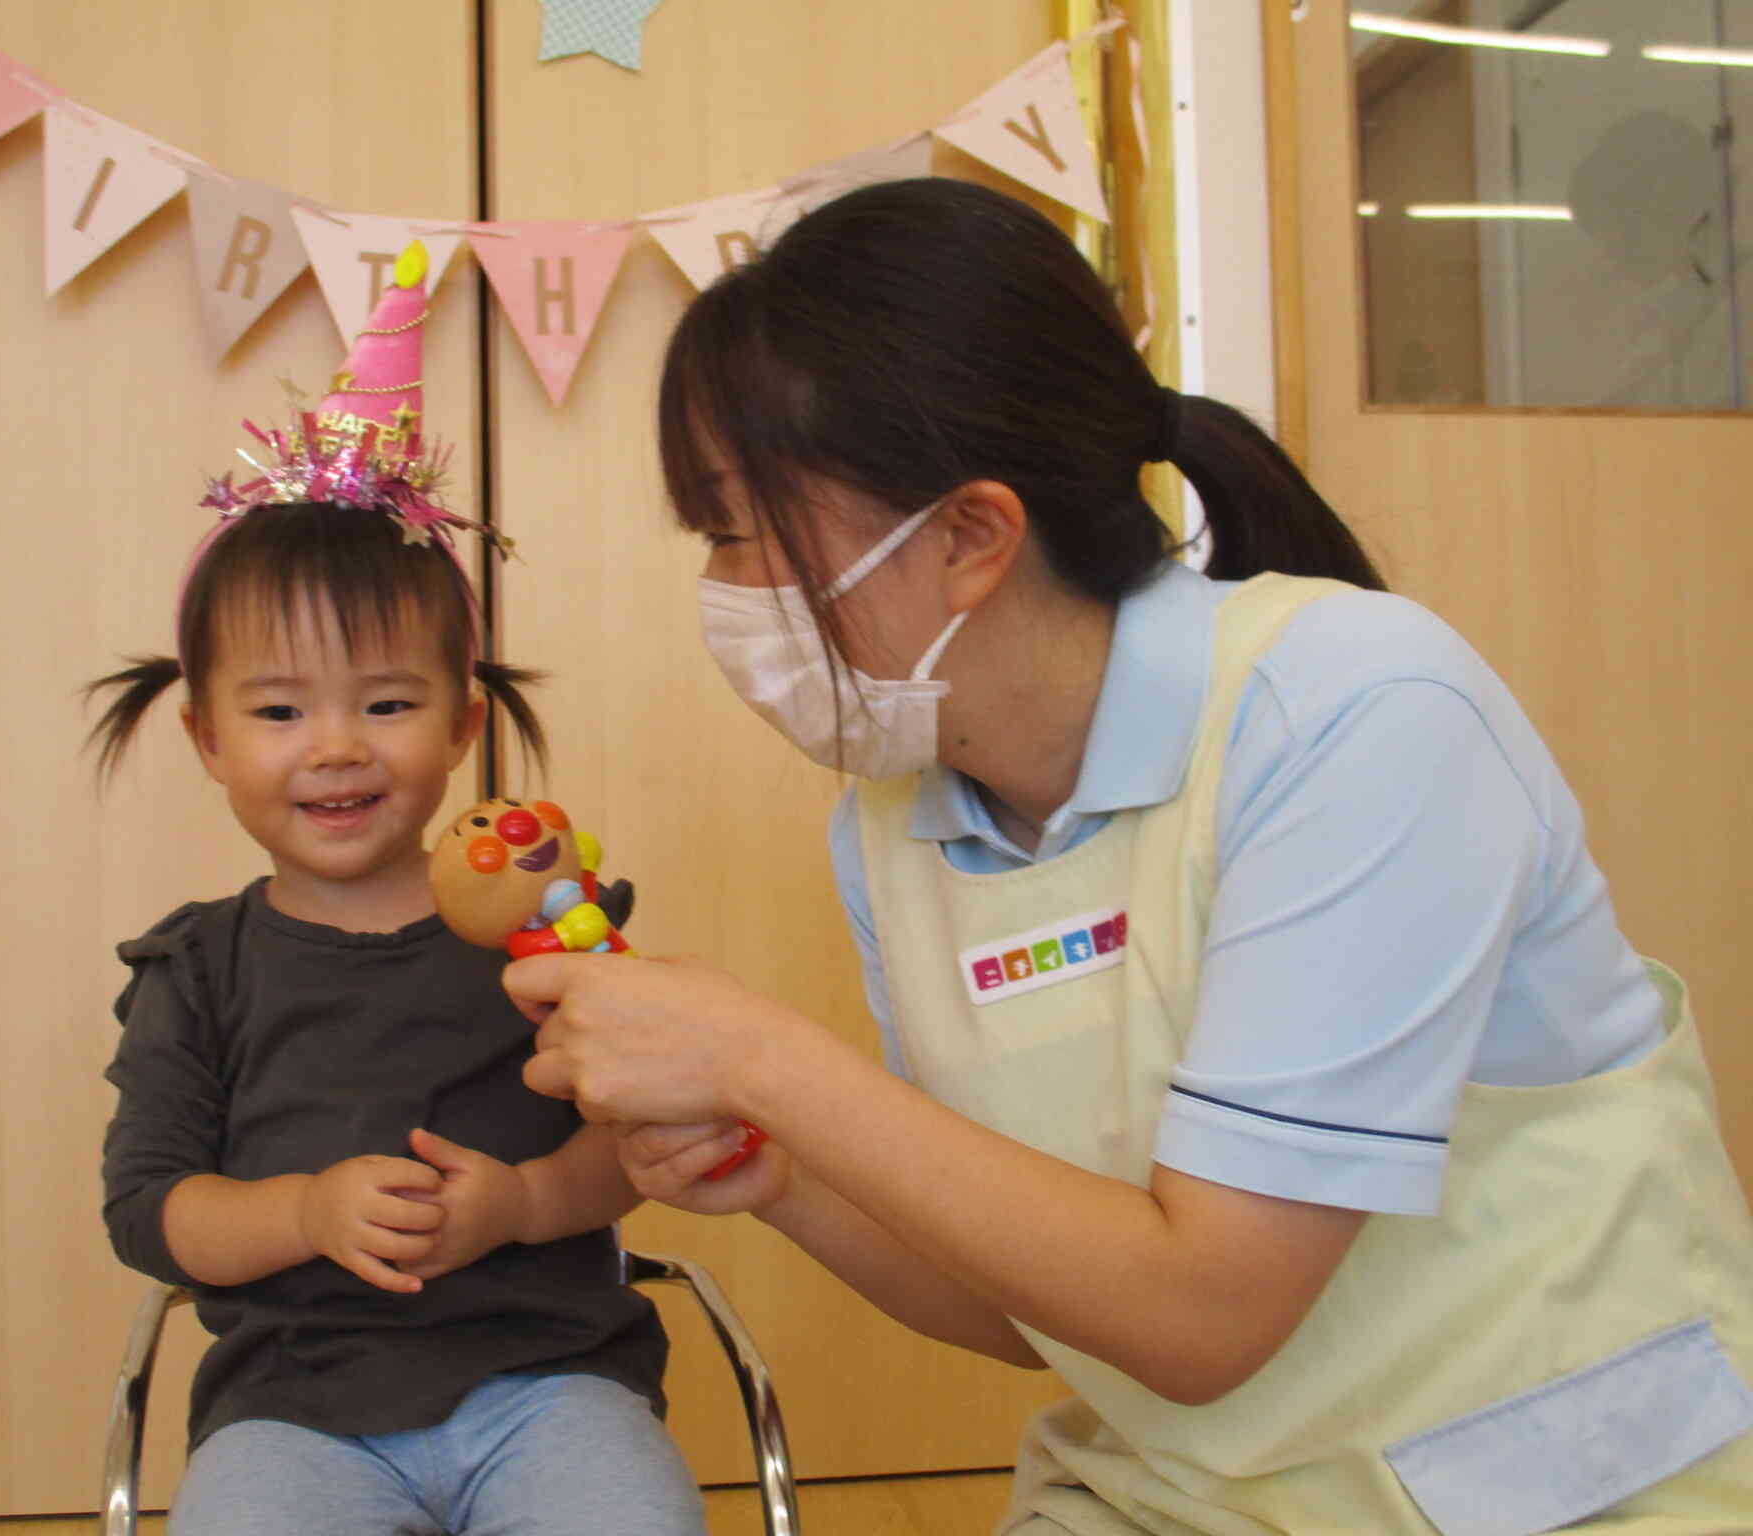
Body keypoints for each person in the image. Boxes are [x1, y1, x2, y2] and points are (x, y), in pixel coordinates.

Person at [507, 178, 1753, 1534]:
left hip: (1554, 1493)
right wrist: (776, 1174)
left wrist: (761, 1059)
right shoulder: (899, 826)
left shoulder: (1355, 712)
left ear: (973, 536)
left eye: (741, 528)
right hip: (1183, 1501)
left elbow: (1203, 1311)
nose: (727, 589)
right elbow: (1046, 1306)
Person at [91, 263, 706, 1536]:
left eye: (385, 703)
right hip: (292, 1410)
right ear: (207, 737)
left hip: (549, 1384)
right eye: (277, 711)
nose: (335, 748)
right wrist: (304, 1210)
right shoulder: (199, 971)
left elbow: (632, 1147)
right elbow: (152, 1211)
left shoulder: (546, 930)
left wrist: (526, 1205)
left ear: (463, 722)